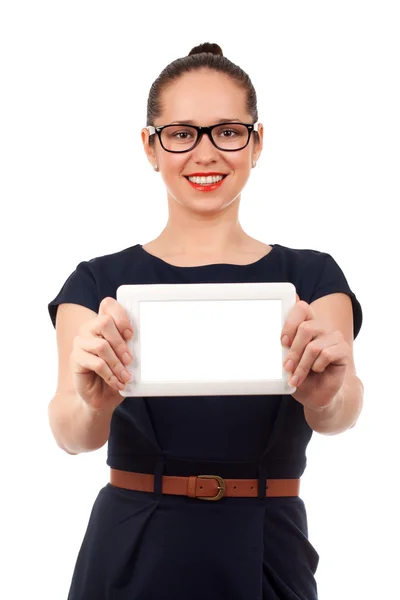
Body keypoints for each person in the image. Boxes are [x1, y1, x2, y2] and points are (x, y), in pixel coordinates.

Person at [48, 42, 363, 600]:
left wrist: (324, 397)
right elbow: (71, 433)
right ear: (151, 146)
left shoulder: (312, 277)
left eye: (228, 131)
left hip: (268, 545)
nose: (205, 152)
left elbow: (341, 409)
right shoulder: (97, 283)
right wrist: (93, 401)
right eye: (181, 133)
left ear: (256, 141)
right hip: (131, 547)